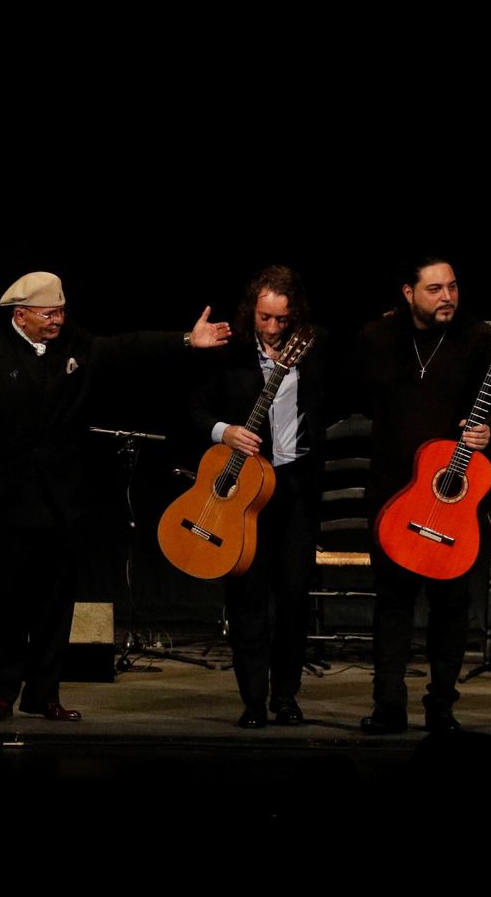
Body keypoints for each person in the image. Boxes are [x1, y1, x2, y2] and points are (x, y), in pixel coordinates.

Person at [0, 271, 229, 722]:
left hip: (64, 500)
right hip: (10, 500)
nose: (57, 320)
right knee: (7, 602)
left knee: (56, 605)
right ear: (20, 314)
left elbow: (128, 347)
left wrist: (185, 341)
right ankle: (0, 692)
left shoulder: (75, 348)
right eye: (48, 313)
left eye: (61, 311)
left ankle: (44, 693)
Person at [356, 257, 491, 734]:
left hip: (454, 500)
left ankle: (442, 706)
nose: (447, 297)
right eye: (434, 289)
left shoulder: (480, 339)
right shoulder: (378, 340)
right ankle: (389, 704)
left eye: (452, 287)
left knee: (450, 608)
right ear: (408, 292)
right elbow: (354, 398)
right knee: (393, 605)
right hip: (394, 495)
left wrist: (489, 427)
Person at [189, 265, 326, 729]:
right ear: (253, 312)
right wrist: (223, 432)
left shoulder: (314, 351)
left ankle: (285, 696)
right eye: (265, 318)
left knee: (292, 598)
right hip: (244, 491)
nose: (272, 329)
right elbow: (190, 409)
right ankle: (252, 700)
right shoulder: (230, 355)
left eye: (281, 320)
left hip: (295, 487)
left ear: (295, 317)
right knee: (247, 597)